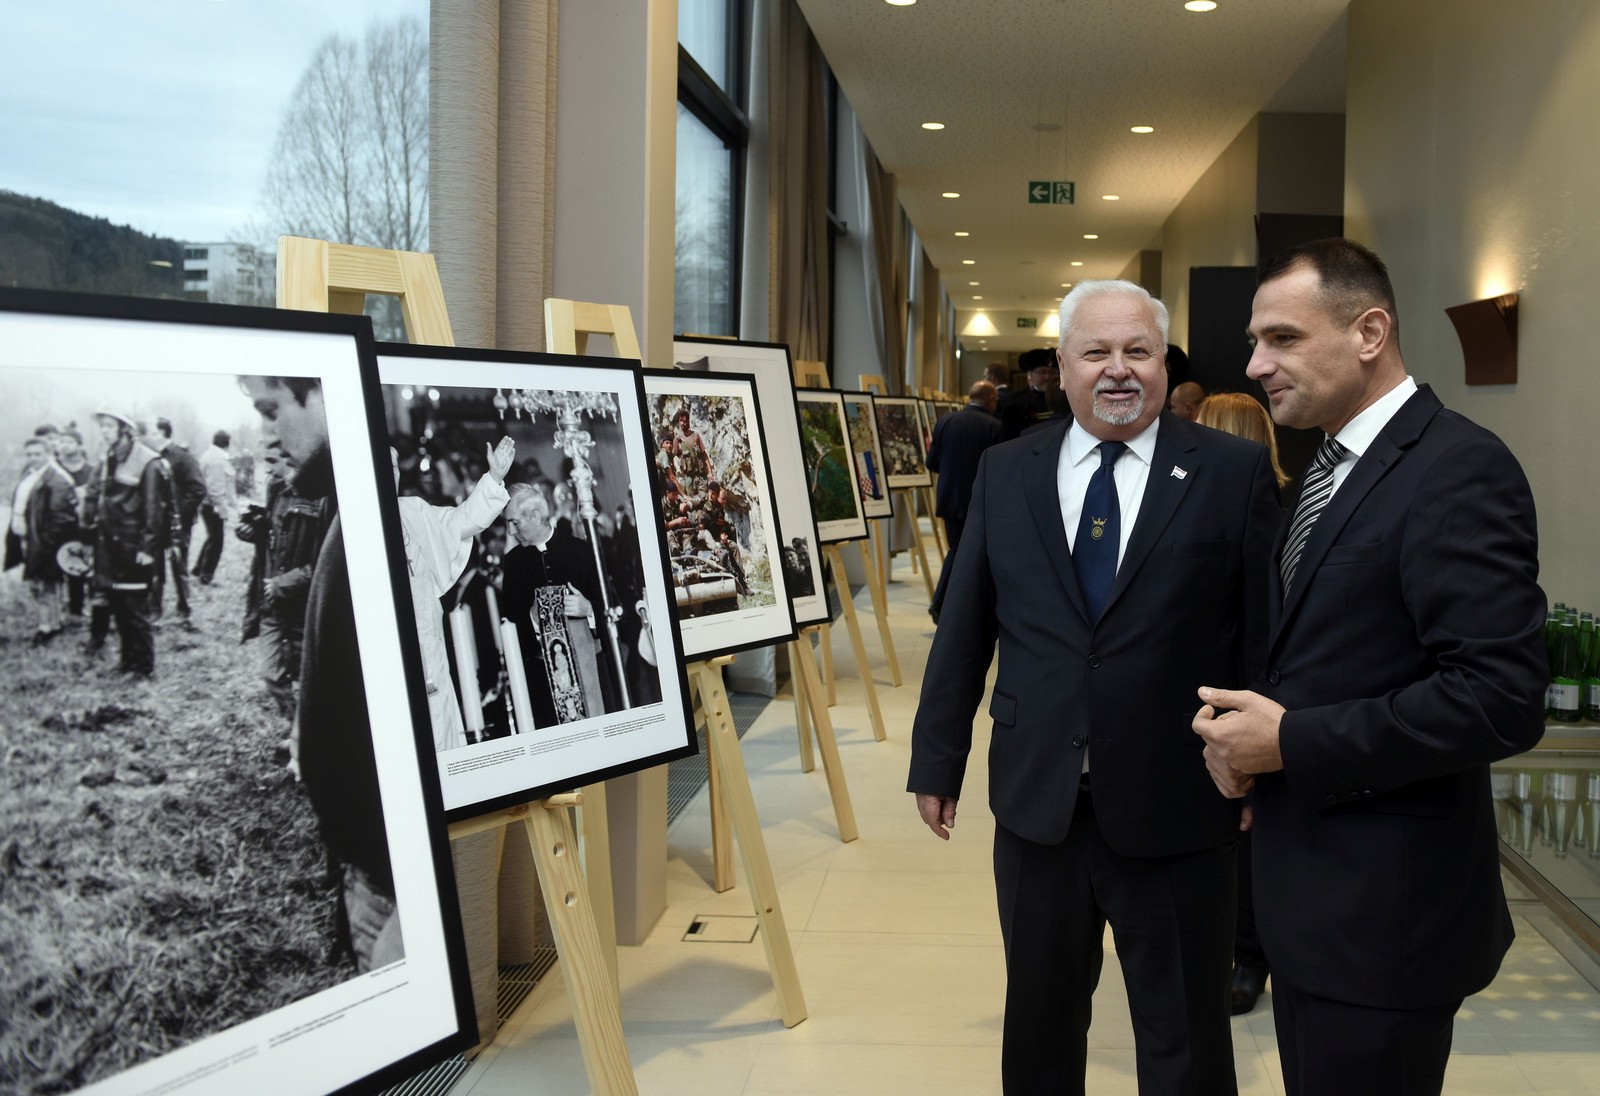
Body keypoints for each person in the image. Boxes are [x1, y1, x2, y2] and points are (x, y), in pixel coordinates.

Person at [1192, 239, 1547, 1096]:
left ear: (1369, 331)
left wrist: (1294, 743)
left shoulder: (1457, 468)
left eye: (1281, 338)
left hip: (1388, 919)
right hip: (1310, 902)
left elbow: (1501, 699)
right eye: (1254, 340)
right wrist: (1246, 743)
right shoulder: (1331, 463)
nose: (1254, 364)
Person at [909, 279, 1279, 1094]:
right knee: (1039, 1029)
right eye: (1097, 352)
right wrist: (937, 759)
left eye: (1138, 351)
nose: (1119, 371)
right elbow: (966, 626)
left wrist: (1261, 766)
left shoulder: (1231, 471)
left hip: (1181, 804)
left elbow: (1261, 638)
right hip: (1040, 804)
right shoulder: (1009, 472)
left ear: (1163, 361)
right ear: (1064, 367)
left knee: (1185, 1035)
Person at [238, 374, 399, 971]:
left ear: (324, 394)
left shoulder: (369, 512)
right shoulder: (346, 501)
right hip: (365, 862)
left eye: (271, 409)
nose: (266, 433)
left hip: (386, 878)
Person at [1188, 390, 1292, 1016]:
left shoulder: (1273, 520)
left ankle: (1247, 956)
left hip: (1243, 705)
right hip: (1220, 702)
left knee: (1243, 838)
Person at [396, 437, 514, 752]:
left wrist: (494, 478)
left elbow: (461, 520)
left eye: (393, 467)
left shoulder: (412, 512)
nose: (390, 473)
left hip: (431, 648)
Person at [500, 481, 616, 729]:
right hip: (543, 683)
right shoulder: (512, 564)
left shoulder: (580, 551)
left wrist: (589, 610)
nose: (510, 531)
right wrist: (532, 618)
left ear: (534, 515)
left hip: (590, 672)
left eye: (514, 522)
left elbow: (613, 607)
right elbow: (509, 623)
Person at [84, 411, 168, 677]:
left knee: (135, 608)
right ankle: (127, 662)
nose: (104, 432)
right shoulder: (109, 458)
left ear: (124, 429)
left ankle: (144, 668)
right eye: (102, 427)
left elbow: (154, 509)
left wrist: (147, 548)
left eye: (109, 426)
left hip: (134, 547)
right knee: (119, 605)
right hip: (110, 547)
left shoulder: (148, 461)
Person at [925, 379, 1002, 623]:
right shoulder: (994, 427)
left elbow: (931, 463)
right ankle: (941, 604)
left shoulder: (945, 421)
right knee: (963, 554)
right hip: (979, 502)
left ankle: (952, 606)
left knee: (957, 550)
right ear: (990, 400)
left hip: (948, 499)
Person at [17, 435, 77, 644]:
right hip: (33, 538)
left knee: (46, 584)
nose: (33, 458)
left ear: (48, 453)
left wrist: (46, 545)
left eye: (37, 454)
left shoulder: (56, 479)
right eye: (29, 454)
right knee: (40, 584)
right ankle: (52, 622)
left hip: (46, 542)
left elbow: (61, 518)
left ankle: (48, 626)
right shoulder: (32, 473)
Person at [146, 417, 206, 619]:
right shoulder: (151, 458)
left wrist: (179, 513)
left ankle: (184, 606)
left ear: (161, 433)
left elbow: (197, 488)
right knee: (155, 566)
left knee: (178, 564)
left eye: (152, 432)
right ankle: (155, 608)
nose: (148, 436)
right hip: (155, 523)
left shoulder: (181, 457)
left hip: (178, 524)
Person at [51, 426, 94, 619]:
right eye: (61, 442)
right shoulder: (54, 469)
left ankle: (88, 606)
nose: (64, 446)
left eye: (69, 441)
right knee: (62, 564)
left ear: (79, 445)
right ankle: (66, 607)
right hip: (60, 524)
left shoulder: (90, 470)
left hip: (85, 524)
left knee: (86, 562)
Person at [193, 429, 235, 584]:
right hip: (213, 505)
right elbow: (215, 488)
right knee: (217, 540)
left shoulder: (208, 455)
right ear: (227, 443)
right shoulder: (218, 459)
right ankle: (206, 574)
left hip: (206, 504)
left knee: (212, 537)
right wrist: (222, 508)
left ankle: (198, 568)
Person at [998, 347, 1059, 440]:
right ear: (1031, 375)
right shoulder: (1015, 402)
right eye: (1042, 372)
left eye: (1052, 372)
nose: (1048, 377)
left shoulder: (1065, 399)